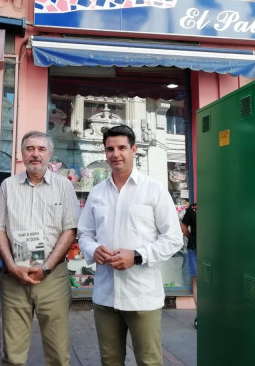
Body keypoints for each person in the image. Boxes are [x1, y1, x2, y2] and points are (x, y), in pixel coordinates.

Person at [78, 124, 184, 366]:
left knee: (149, 361)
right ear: (105, 152)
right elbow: (84, 234)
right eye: (110, 149)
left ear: (134, 149)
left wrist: (137, 256)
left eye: (122, 148)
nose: (116, 154)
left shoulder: (154, 190)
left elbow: (173, 238)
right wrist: (94, 249)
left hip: (142, 296)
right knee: (110, 360)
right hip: (105, 295)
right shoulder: (97, 193)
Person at [0, 131, 79, 366]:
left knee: (58, 354)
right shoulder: (8, 186)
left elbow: (70, 230)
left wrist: (47, 267)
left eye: (41, 149)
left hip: (53, 278)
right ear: (22, 154)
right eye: (30, 149)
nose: (35, 154)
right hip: (14, 277)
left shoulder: (63, 186)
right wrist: (10, 266)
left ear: (50, 154)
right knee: (12, 355)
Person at [181, 202, 197, 329]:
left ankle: (200, 314)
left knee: (196, 281)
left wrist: (191, 237)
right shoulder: (217, 205)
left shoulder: (193, 208)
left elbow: (183, 227)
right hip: (213, 248)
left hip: (195, 246)